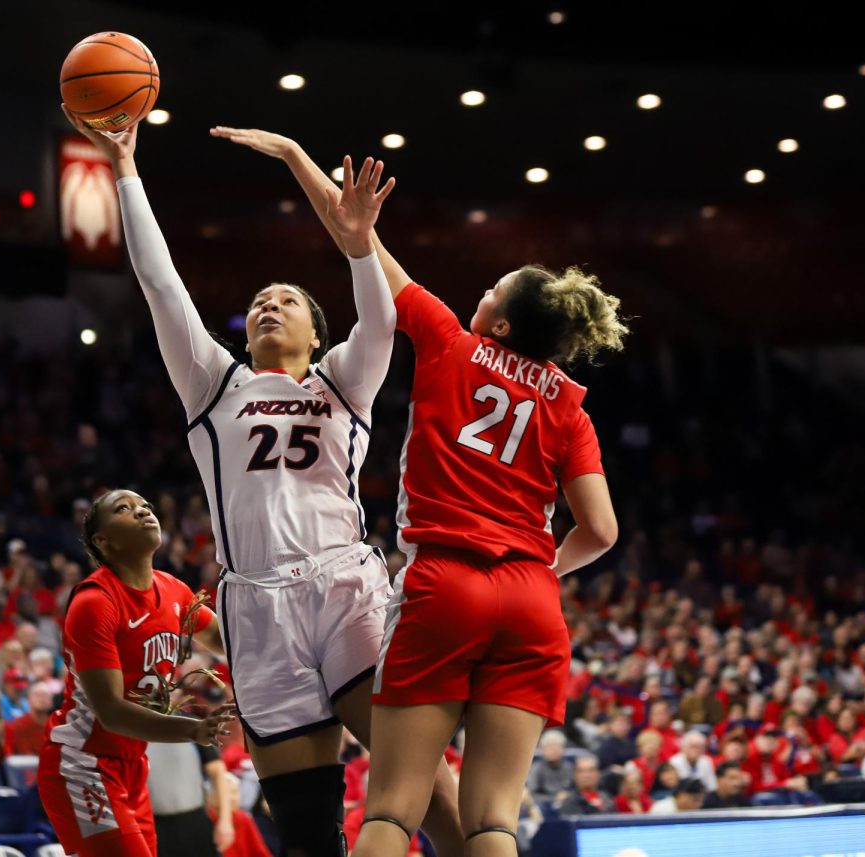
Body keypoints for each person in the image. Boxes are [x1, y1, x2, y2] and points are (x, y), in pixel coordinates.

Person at [215, 125, 624, 857]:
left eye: (490, 290)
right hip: (531, 596)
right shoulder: (571, 403)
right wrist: (542, 568)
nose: (479, 292)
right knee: (493, 818)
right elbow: (600, 529)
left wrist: (295, 160)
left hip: (447, 580)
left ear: (497, 322)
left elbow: (359, 239)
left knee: (392, 807)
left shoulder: (451, 340)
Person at [66, 107, 463, 857]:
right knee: (308, 828)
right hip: (256, 603)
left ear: (316, 331)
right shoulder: (213, 385)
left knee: (421, 775)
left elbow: (381, 322)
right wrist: (124, 168)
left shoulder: (341, 379)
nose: (265, 305)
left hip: (345, 589)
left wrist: (356, 247)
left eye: (284, 299)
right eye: (256, 303)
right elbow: (159, 283)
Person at [37, 489, 235, 857]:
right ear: (103, 541)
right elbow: (110, 712)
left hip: (132, 763)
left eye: (145, 505)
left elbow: (232, 645)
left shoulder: (173, 590)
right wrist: (193, 729)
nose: (143, 511)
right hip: (82, 762)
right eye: (125, 509)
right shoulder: (95, 602)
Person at [4, 681, 53, 757]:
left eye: (45, 696)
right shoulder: (18, 725)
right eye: (37, 695)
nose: (42, 699)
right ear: (29, 699)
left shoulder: (55, 726)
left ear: (51, 702)